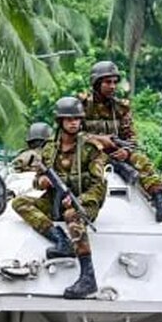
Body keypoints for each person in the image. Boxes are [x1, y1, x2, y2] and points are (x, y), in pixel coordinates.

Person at [10, 97, 106, 299]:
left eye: (77, 119)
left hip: (84, 200)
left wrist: (82, 199)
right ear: (60, 121)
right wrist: (42, 181)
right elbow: (37, 180)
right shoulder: (49, 150)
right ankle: (60, 240)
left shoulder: (90, 148)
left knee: (73, 215)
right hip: (55, 198)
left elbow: (99, 184)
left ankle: (88, 277)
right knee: (19, 203)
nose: (74, 123)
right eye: (69, 119)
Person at [80, 60, 162, 221]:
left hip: (117, 152)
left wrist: (126, 151)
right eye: (107, 82)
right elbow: (71, 134)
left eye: (114, 82)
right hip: (90, 153)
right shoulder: (81, 106)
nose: (112, 86)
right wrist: (99, 140)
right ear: (96, 83)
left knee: (142, 161)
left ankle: (160, 204)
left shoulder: (121, 108)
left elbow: (131, 137)